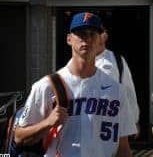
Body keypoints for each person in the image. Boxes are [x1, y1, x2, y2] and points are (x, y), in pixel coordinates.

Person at [15, 12, 136, 157]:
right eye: (81, 34)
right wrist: (47, 123)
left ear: (100, 40)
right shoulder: (47, 86)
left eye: (92, 34)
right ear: (69, 39)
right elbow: (19, 137)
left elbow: (123, 148)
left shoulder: (116, 91)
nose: (87, 39)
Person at [96, 25, 141, 138]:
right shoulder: (81, 61)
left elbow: (128, 90)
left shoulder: (117, 60)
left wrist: (134, 119)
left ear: (105, 36)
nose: (95, 37)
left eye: (99, 33)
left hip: (111, 125)